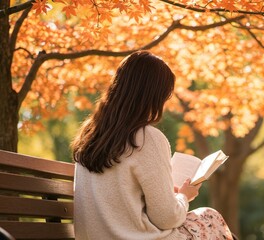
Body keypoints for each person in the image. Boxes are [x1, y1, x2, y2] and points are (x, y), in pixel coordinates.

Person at [71, 50, 234, 240]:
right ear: (153, 96)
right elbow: (166, 218)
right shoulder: (147, 138)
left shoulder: (88, 136)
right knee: (209, 216)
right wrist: (184, 196)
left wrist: (167, 195)